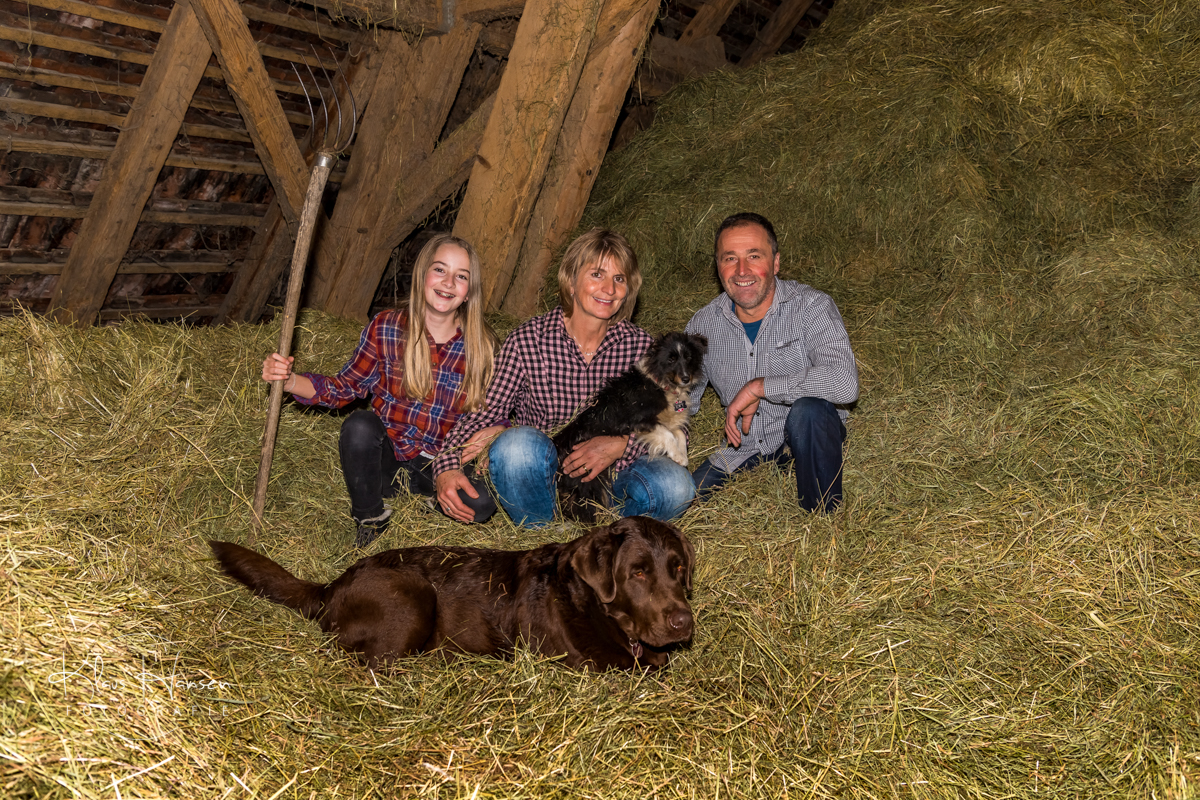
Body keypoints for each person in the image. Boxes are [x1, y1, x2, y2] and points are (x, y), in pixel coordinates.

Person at [432, 228, 696, 528]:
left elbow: (678, 420)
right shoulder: (528, 341)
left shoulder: (644, 349)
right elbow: (484, 412)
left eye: (619, 279)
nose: (609, 289)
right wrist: (446, 468)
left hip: (616, 478)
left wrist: (622, 444)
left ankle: (609, 537)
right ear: (571, 281)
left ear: (628, 290)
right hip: (543, 477)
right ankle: (545, 533)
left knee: (676, 487)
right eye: (596, 274)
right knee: (514, 447)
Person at [262, 233, 497, 547]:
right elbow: (344, 388)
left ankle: (435, 503)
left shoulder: (483, 346)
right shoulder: (386, 327)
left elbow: (492, 413)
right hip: (389, 460)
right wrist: (289, 380)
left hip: (442, 465)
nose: (448, 282)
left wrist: (495, 431)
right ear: (422, 275)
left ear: (469, 292)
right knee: (359, 426)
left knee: (482, 504)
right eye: (440, 269)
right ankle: (370, 517)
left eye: (461, 276)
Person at [685, 212, 858, 512]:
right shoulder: (703, 325)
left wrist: (760, 387)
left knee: (809, 411)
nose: (742, 270)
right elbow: (682, 398)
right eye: (730, 258)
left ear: (776, 263)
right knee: (681, 501)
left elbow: (845, 383)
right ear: (718, 267)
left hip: (804, 436)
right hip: (742, 448)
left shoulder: (811, 306)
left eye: (754, 256)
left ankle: (821, 516)